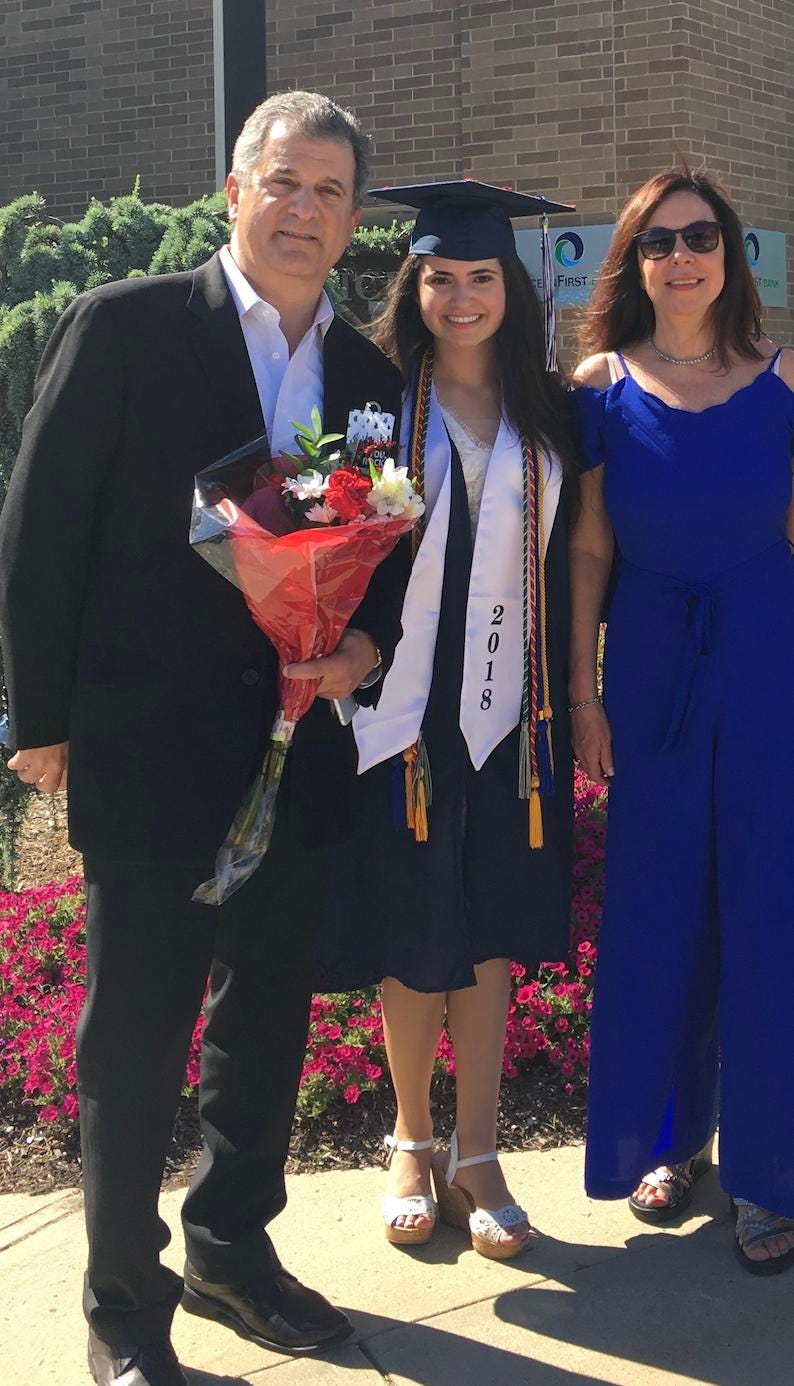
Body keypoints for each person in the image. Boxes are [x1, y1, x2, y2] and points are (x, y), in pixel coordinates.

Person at [0, 92, 405, 1386]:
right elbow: (42, 525)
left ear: (350, 220)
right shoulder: (124, 327)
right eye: (283, 182)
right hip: (147, 745)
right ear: (234, 191)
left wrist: (363, 649)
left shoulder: (368, 379)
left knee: (265, 1022)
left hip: (296, 748)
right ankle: (125, 1308)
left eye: (329, 192)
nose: (303, 210)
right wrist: (41, 721)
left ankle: (232, 1248)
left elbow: (389, 551)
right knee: (133, 1036)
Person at [317, 181, 577, 1259]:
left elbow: (582, 559)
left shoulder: (550, 411)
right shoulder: (376, 409)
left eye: (480, 276)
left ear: (509, 288)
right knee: (413, 925)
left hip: (513, 709)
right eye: (438, 277)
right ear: (412, 287)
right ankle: (410, 1138)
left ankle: (478, 1151)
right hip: (399, 709)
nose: (460, 296)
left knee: (489, 926)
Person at [570, 166, 794, 1273]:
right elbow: (588, 549)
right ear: (634, 262)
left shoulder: (784, 378)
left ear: (730, 253)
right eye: (657, 242)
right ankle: (668, 1141)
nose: (681, 257)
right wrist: (581, 693)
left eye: (700, 236)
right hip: (652, 663)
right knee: (660, 906)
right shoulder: (598, 386)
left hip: (766, 655)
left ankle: (769, 1174)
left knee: (765, 908)